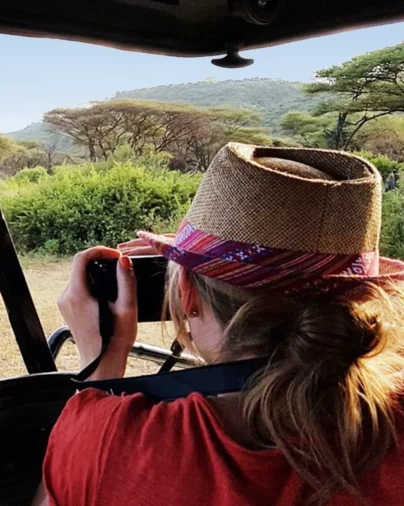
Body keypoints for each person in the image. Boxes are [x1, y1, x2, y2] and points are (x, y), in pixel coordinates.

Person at [36, 143, 404, 505]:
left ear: (187, 295)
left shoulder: (117, 439)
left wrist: (101, 370)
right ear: (359, 297)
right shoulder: (391, 421)